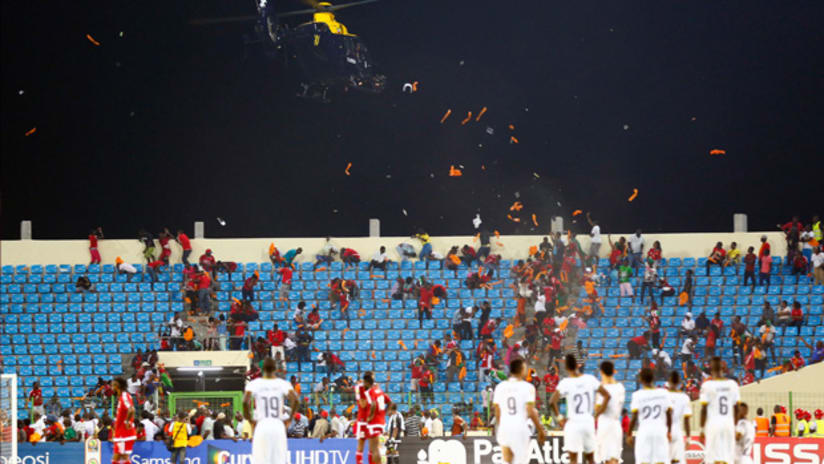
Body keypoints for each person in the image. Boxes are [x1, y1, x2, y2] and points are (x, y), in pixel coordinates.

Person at [549, 354, 611, 464]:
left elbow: (552, 401)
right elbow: (607, 396)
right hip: (588, 422)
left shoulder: (566, 382)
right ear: (577, 365)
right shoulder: (590, 379)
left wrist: (559, 418)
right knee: (591, 459)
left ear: (567, 367)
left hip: (573, 423)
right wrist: (597, 414)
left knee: (573, 460)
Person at [243, 357, 298, 464]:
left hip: (262, 424)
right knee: (279, 460)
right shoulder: (283, 384)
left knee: (261, 459)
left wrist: (250, 420)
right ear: (275, 368)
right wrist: (290, 419)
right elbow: (295, 400)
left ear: (262, 368)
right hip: (278, 424)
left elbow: (245, 402)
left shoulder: (255, 384)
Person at [493, 358, 546, 464]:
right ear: (522, 369)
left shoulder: (500, 387)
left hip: (505, 427)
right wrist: (540, 429)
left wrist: (500, 426)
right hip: (520, 428)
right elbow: (531, 411)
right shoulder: (528, 387)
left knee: (507, 460)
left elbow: (497, 412)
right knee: (520, 461)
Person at [700, 357, 741, 464]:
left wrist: (701, 429)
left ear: (711, 370)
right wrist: (736, 427)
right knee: (728, 456)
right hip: (728, 423)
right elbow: (736, 409)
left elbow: (703, 410)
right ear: (723, 368)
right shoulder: (732, 385)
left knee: (712, 457)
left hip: (713, 423)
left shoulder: (707, 385)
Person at [627, 367, 672, 464]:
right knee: (661, 461)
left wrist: (629, 434)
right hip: (660, 431)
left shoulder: (637, 395)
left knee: (644, 461)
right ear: (653, 378)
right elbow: (669, 414)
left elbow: (634, 417)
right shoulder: (664, 393)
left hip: (645, 432)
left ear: (640, 379)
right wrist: (669, 431)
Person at [595, 361, 625, 464]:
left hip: (604, 424)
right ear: (613, 371)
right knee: (615, 459)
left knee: (605, 459)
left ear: (601, 372)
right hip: (616, 424)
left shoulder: (601, 388)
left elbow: (597, 408)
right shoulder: (620, 387)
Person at [667, 371, 692, 464]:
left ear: (668, 381)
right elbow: (686, 420)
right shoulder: (684, 397)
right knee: (677, 461)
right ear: (679, 382)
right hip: (677, 430)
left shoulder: (662, 395)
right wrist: (689, 438)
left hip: (664, 431)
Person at [111, 377, 137, 464]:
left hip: (124, 433)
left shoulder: (124, 396)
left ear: (117, 386)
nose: (111, 387)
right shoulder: (122, 397)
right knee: (122, 456)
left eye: (113, 385)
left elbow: (131, 409)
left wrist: (126, 421)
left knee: (118, 456)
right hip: (121, 432)